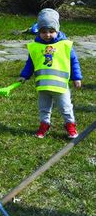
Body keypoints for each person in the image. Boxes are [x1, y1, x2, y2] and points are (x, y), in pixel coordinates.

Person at [18, 9, 82, 139]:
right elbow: (30, 63)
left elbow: (73, 62)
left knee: (65, 107)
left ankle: (70, 126)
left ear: (57, 30)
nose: (47, 35)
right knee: (44, 108)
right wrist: (24, 75)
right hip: (43, 86)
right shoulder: (35, 47)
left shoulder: (65, 45)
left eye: (51, 31)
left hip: (61, 86)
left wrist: (76, 77)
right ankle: (44, 125)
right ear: (39, 31)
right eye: (43, 31)